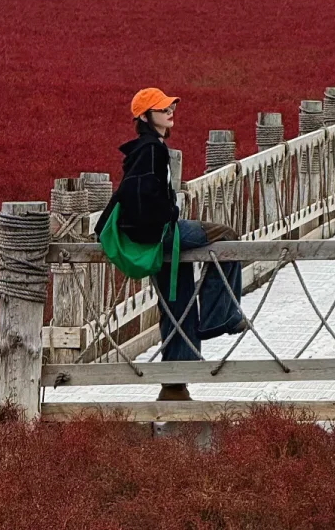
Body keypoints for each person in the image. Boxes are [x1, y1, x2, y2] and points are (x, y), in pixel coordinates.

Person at [95, 87, 246, 401]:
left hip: (157, 237)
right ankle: (221, 316)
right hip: (164, 234)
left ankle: (175, 386)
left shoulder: (146, 148)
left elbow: (127, 193)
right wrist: (169, 216)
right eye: (163, 109)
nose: (170, 112)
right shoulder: (152, 150)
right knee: (227, 238)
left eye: (170, 108)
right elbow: (141, 196)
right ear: (145, 117)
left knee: (177, 303)